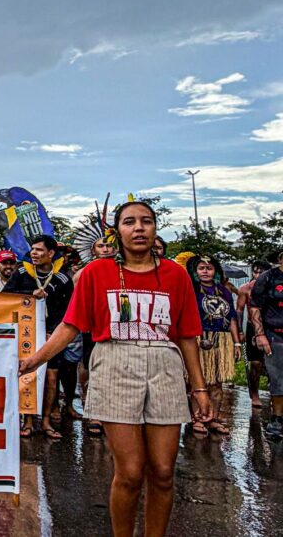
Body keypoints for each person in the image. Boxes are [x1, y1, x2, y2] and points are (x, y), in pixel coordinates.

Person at [19, 200, 210, 537]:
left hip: (165, 364)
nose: (139, 228)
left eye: (147, 221)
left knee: (164, 471)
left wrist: (200, 389)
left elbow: (186, 336)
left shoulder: (176, 275)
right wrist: (33, 361)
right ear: (117, 231)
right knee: (131, 472)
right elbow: (70, 325)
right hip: (114, 363)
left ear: (155, 228)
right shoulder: (96, 272)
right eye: (130, 222)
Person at [5, 235, 75, 439]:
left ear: (51, 253)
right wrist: (29, 293)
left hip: (52, 336)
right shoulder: (21, 273)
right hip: (26, 334)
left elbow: (69, 310)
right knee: (28, 375)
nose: (34, 253)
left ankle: (45, 421)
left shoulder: (63, 279)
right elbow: (6, 297)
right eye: (32, 250)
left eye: (39, 250)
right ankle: (27, 421)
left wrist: (54, 331)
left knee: (52, 378)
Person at [182, 254, 239, 436]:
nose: (205, 271)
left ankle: (212, 418)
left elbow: (231, 319)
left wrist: (236, 343)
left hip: (221, 339)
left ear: (215, 271)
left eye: (209, 268)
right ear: (195, 271)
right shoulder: (191, 289)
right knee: (197, 382)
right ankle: (197, 418)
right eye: (201, 268)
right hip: (198, 338)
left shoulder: (224, 291)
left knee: (217, 383)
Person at [75, 235, 118, 437]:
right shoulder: (84, 273)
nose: (106, 249)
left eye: (109, 245)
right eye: (101, 246)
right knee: (91, 368)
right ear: (93, 250)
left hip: (118, 328)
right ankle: (93, 410)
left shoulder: (124, 270)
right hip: (92, 329)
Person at [249, 248, 283, 439]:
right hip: (275, 334)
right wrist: (260, 335)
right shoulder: (268, 278)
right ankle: (277, 418)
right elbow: (255, 306)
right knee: (278, 379)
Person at [237, 260, 271, 408]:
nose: (257, 275)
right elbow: (239, 310)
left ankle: (274, 394)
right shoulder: (245, 289)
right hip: (253, 329)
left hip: (271, 329)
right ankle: (255, 393)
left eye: (261, 273)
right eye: (255, 272)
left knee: (272, 365)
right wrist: (239, 331)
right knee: (255, 364)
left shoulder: (274, 288)